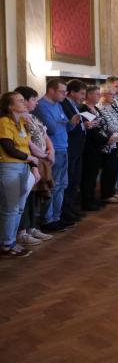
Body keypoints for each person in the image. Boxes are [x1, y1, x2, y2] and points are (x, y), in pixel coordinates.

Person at [33, 79, 80, 232]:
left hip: (63, 147)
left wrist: (72, 122)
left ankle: (57, 218)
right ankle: (47, 220)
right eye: (61, 91)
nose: (64, 94)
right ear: (51, 90)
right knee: (52, 186)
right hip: (52, 151)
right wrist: (65, 123)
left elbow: (67, 127)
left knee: (62, 186)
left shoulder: (58, 105)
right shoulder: (42, 106)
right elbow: (51, 129)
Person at [0, 91, 39, 258]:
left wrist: (31, 163)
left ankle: (12, 240)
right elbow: (9, 148)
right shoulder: (4, 122)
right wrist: (30, 158)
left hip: (24, 167)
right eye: (20, 101)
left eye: (24, 101)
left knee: (19, 208)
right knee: (10, 209)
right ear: (10, 106)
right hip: (10, 167)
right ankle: (6, 244)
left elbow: (28, 144)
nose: (24, 104)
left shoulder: (22, 121)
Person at [15, 86, 54, 245]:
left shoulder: (33, 117)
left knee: (35, 196)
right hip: (31, 161)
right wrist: (42, 155)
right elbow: (28, 142)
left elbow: (44, 134)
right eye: (33, 100)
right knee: (26, 197)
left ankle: (32, 227)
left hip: (41, 159)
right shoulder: (19, 119)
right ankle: (22, 231)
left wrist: (51, 149)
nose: (36, 103)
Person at [61, 79, 93, 223]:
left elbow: (76, 123)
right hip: (71, 147)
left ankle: (72, 209)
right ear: (72, 92)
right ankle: (65, 212)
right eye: (81, 93)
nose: (83, 97)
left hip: (78, 147)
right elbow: (66, 126)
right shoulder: (64, 104)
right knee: (69, 181)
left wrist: (84, 125)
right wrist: (80, 125)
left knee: (75, 180)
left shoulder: (74, 105)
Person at [97, 84, 118, 204]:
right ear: (103, 94)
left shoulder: (113, 106)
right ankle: (106, 194)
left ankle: (112, 191)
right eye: (111, 94)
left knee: (115, 168)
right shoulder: (100, 108)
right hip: (109, 143)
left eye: (114, 94)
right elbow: (109, 125)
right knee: (108, 169)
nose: (114, 97)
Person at [80, 85, 110, 211]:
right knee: (88, 176)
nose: (99, 96)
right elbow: (90, 129)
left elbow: (101, 124)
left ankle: (92, 199)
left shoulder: (96, 108)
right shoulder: (83, 108)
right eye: (97, 94)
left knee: (94, 175)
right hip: (89, 146)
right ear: (89, 95)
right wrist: (105, 139)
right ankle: (87, 202)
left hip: (98, 145)